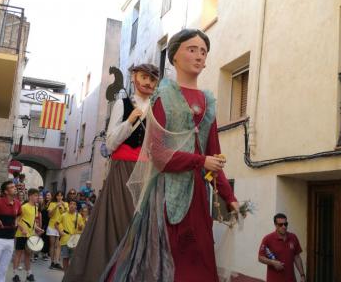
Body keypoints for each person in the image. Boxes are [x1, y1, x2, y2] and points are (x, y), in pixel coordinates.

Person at [99, 29, 239, 281]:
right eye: (192, 49)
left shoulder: (208, 103)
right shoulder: (163, 97)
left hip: (197, 194)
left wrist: (229, 197)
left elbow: (213, 157)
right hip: (165, 194)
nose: (199, 56)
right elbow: (158, 153)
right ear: (174, 56)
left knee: (199, 259)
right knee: (164, 262)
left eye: (203, 51)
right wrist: (199, 161)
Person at [63, 64, 160, 282]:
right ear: (134, 77)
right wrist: (131, 120)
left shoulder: (156, 108)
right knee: (121, 222)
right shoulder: (122, 103)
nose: (148, 83)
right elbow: (111, 142)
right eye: (144, 77)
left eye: (153, 80)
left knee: (143, 225)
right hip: (123, 170)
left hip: (147, 172)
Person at [258, 213, 305, 282]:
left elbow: (297, 257)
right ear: (275, 225)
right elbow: (260, 257)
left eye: (285, 224)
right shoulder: (268, 239)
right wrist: (273, 262)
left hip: (291, 279)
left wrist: (302, 275)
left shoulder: (293, 237)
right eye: (280, 225)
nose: (284, 227)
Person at [12, 188, 44, 282]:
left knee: (28, 254)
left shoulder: (35, 208)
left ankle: (29, 274)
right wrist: (22, 229)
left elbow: (32, 222)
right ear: (30, 196)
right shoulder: (24, 207)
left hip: (30, 235)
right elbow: (16, 221)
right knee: (18, 254)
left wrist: (38, 229)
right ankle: (15, 274)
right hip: (21, 235)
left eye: (37, 196)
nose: (37, 197)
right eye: (35, 195)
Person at [56, 199, 85, 271]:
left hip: (74, 240)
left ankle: (70, 275)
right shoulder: (63, 215)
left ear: (76, 206)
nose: (72, 205)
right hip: (65, 239)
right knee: (65, 258)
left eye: (74, 204)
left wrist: (80, 227)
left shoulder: (79, 216)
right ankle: (65, 275)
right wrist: (60, 231)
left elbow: (81, 229)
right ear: (68, 205)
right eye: (71, 203)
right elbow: (56, 224)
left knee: (73, 259)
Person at [47, 191, 68, 270]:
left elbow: (67, 214)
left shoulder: (65, 204)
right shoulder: (52, 204)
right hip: (52, 226)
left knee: (58, 245)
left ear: (63, 197)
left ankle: (57, 262)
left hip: (60, 227)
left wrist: (64, 206)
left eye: (61, 196)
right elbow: (49, 215)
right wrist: (56, 207)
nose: (59, 197)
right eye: (58, 196)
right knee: (52, 245)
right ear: (56, 197)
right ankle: (52, 262)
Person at [40, 192, 52, 260]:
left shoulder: (52, 204)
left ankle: (46, 253)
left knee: (48, 239)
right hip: (43, 223)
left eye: (48, 195)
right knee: (43, 238)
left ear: (51, 196)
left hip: (50, 223)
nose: (47, 196)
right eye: (46, 195)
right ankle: (43, 253)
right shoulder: (42, 204)